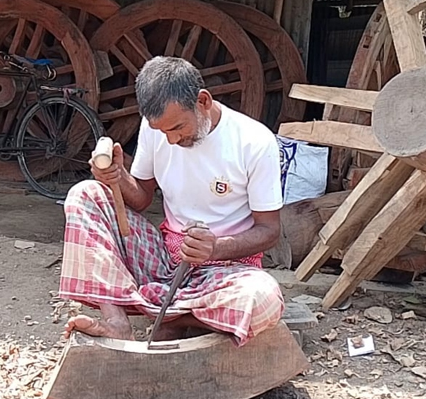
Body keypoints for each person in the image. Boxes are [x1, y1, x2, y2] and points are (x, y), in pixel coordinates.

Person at [57, 56, 285, 346]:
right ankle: (118, 323)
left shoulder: (254, 142)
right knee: (85, 194)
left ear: (203, 101)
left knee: (263, 300)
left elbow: (270, 230)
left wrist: (215, 248)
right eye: (163, 132)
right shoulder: (157, 129)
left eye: (178, 128)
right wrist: (116, 177)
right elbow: (140, 197)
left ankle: (165, 313)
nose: (173, 140)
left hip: (226, 267)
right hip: (165, 259)